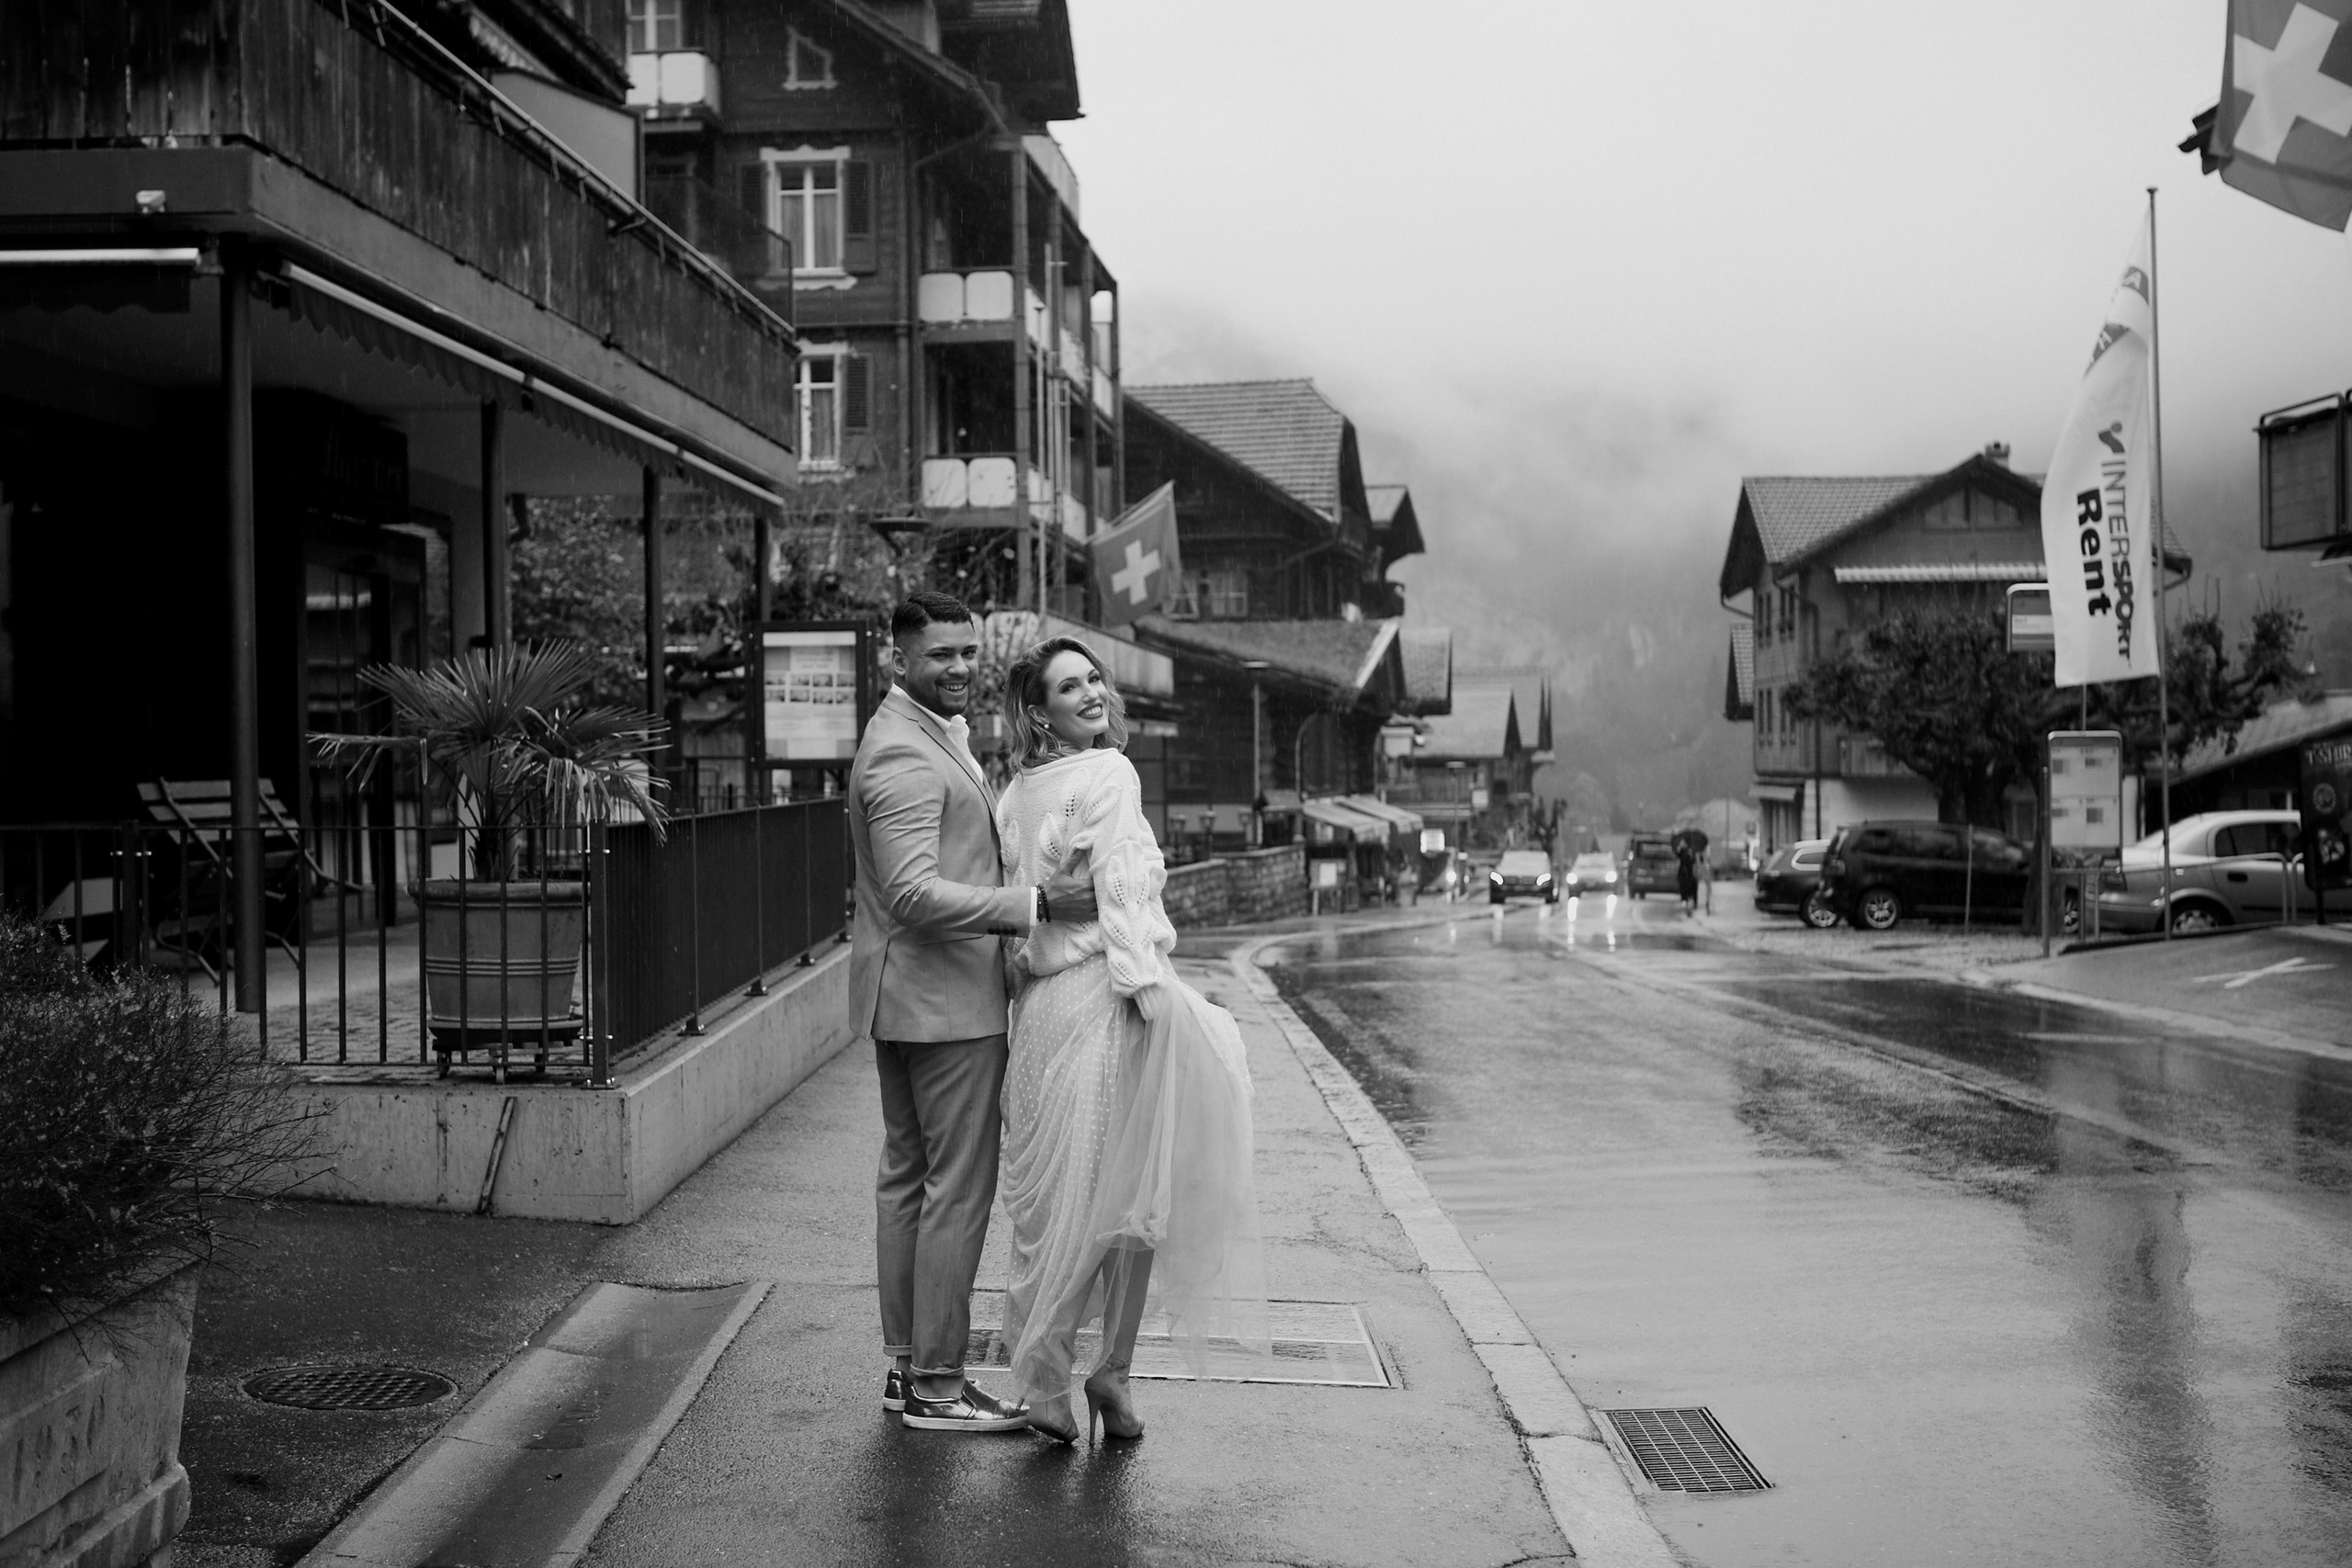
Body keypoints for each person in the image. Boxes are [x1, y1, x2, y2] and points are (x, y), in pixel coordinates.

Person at [992, 635, 1269, 1444]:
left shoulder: (1013, 797)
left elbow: (1016, 909)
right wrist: (1150, 992)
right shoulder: (1110, 773)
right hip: (1109, 1001)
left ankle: (1057, 1378)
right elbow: (1117, 887)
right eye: (1068, 686)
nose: (1091, 693)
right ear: (1039, 712)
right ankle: (1103, 1368)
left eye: (1094, 679)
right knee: (1124, 1197)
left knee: (1065, 1204)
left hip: (1039, 1010)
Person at [847, 592, 1099, 1435]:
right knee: (954, 1190)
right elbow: (913, 890)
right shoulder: (903, 755)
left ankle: (909, 1370)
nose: (958, 667)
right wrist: (1032, 903)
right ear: (898, 660)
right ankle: (939, 1382)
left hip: (913, 997)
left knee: (910, 1184)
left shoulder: (921, 732)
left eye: (966, 652)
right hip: (943, 1003)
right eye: (939, 655)